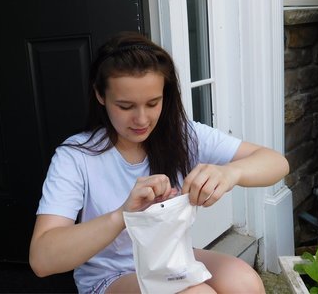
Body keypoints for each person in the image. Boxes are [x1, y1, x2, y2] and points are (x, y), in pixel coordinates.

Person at [29, 31, 289, 293]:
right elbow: (42, 259)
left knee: (244, 282)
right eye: (126, 106)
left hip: (172, 259)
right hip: (111, 276)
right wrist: (122, 215)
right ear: (100, 95)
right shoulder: (76, 156)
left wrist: (231, 173)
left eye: (153, 103)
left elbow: (276, 163)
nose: (142, 120)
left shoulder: (182, 135)